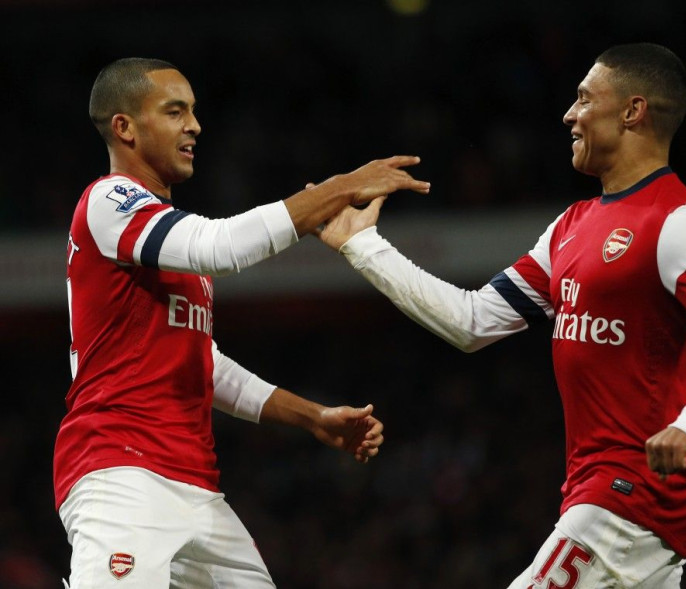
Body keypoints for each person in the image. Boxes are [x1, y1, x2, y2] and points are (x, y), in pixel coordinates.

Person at [317, 43, 686, 587]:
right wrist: (363, 246)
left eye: (584, 98)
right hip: (604, 493)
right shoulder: (571, 226)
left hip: (635, 490)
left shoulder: (678, 221)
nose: (569, 114)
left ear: (633, 111)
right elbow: (472, 322)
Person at [54, 57, 430, 589]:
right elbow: (223, 246)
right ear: (124, 128)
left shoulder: (166, 243)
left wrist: (312, 417)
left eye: (194, 111)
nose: (194, 125)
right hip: (121, 470)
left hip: (196, 484)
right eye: (175, 111)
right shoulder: (106, 202)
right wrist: (344, 186)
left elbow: (202, 363)